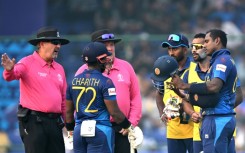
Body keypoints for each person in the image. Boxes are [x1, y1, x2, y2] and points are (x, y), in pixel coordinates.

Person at [170, 29, 242, 153]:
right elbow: (207, 97)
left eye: (207, 41)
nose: (204, 45)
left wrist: (184, 85)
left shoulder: (222, 61)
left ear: (217, 41)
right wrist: (179, 92)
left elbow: (214, 87)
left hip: (217, 119)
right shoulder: (218, 62)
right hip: (216, 118)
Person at [1, 26, 69, 153]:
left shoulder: (60, 68)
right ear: (42, 44)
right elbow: (12, 75)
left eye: (59, 43)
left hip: (55, 123)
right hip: (34, 122)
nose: (58, 46)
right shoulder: (27, 62)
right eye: (55, 42)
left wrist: (68, 124)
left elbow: (64, 100)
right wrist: (9, 69)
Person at [65, 42, 143, 153]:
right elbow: (115, 112)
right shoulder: (106, 82)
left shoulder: (73, 81)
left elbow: (68, 113)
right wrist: (130, 127)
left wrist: (70, 130)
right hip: (100, 132)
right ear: (100, 60)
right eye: (104, 58)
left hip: (79, 132)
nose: (107, 61)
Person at [153, 34, 194, 153]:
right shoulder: (164, 68)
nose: (171, 52)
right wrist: (161, 113)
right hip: (173, 131)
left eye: (175, 49)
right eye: (169, 49)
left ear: (185, 49)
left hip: (194, 129)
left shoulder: (195, 68)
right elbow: (159, 93)